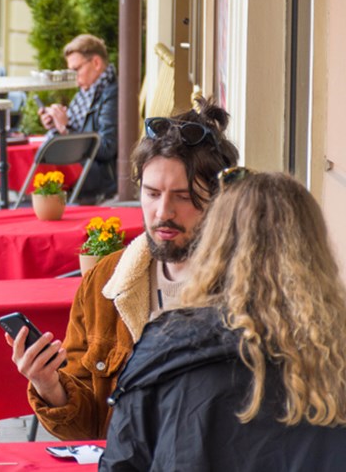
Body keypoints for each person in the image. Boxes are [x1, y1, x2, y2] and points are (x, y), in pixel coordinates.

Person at [6, 98, 239, 440]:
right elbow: (87, 430)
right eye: (152, 193)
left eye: (183, 196)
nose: (163, 212)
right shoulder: (106, 282)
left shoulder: (247, 285)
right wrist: (49, 385)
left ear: (220, 200)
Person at [100, 171, 346, 470]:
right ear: (313, 248)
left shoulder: (167, 346)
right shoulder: (334, 354)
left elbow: (122, 462)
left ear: (216, 244)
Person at [38, 34, 119, 202]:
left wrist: (66, 129)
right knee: (32, 162)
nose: (75, 78)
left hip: (99, 175)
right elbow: (76, 128)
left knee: (37, 167)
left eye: (76, 70)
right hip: (82, 167)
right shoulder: (88, 92)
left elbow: (106, 148)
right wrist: (55, 123)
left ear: (96, 63)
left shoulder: (112, 94)